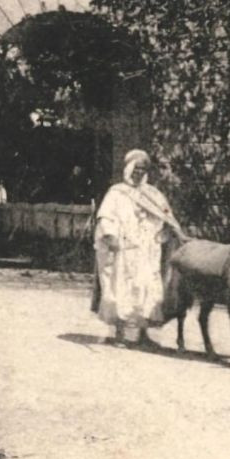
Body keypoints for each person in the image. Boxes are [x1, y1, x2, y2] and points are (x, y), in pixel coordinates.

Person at [92, 149, 184, 348]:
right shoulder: (116, 192)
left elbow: (167, 217)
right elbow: (106, 217)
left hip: (147, 249)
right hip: (124, 249)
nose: (139, 173)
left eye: (143, 169)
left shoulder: (153, 194)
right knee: (122, 288)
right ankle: (119, 332)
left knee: (147, 289)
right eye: (136, 168)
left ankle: (143, 333)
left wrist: (167, 232)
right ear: (128, 169)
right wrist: (111, 235)